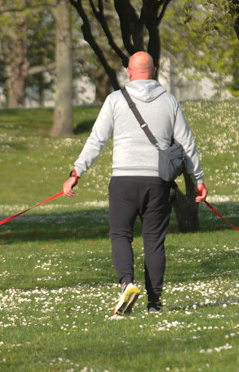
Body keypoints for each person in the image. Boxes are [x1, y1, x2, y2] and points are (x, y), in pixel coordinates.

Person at [62, 51, 207, 315]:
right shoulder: (170, 101)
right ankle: (154, 303)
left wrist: (77, 172)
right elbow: (187, 144)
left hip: (123, 181)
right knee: (154, 241)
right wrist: (198, 180)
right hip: (157, 182)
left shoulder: (115, 100)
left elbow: (97, 139)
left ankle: (127, 284)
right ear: (154, 72)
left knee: (120, 235)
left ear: (129, 72)